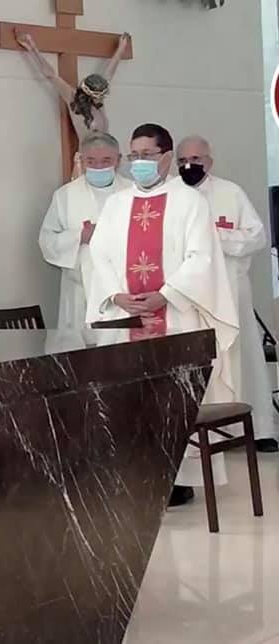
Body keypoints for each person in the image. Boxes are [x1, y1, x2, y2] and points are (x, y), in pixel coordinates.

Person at [85, 123, 240, 507]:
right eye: (134, 155)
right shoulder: (116, 204)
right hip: (127, 320)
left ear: (167, 157)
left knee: (173, 400)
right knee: (129, 399)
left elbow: (201, 258)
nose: (138, 163)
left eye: (146, 156)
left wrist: (165, 295)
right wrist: (116, 295)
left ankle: (177, 479)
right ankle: (136, 477)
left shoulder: (190, 202)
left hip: (176, 319)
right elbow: (99, 255)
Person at [171, 135, 277, 453]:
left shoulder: (230, 193)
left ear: (210, 161)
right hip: (190, 295)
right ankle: (204, 434)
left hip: (230, 291)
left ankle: (258, 428)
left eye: (196, 159)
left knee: (243, 356)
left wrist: (218, 237)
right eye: (182, 160)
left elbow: (256, 236)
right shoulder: (170, 195)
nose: (188, 165)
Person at [39, 131, 132, 329]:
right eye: (91, 161)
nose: (98, 167)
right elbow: (47, 241)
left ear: (118, 160)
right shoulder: (65, 195)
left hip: (124, 287)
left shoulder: (133, 192)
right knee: (83, 344)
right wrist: (79, 236)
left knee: (122, 342)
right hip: (80, 289)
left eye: (106, 160)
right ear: (81, 160)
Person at [16, 30, 131, 177]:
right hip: (86, 161)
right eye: (98, 96)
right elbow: (51, 75)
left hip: (105, 159)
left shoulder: (99, 102)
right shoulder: (73, 99)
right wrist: (32, 47)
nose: (100, 99)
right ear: (89, 93)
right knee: (80, 190)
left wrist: (120, 49)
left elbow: (108, 75)